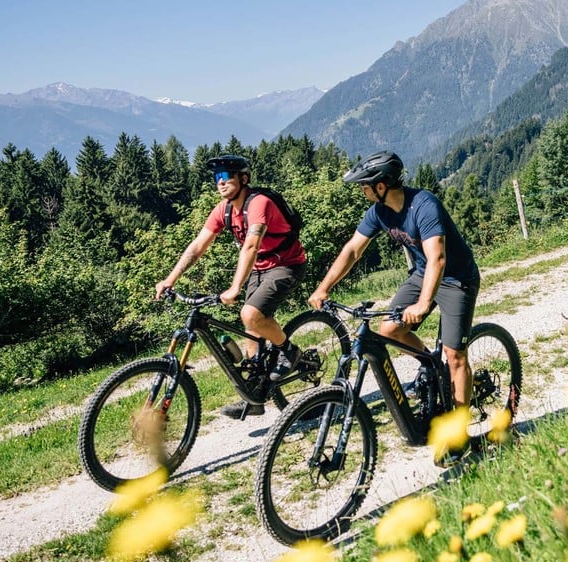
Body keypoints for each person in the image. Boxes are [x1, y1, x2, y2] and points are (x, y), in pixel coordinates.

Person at [309, 150, 481, 408]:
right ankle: (431, 367)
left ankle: (460, 432)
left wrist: (423, 304)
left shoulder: (424, 205)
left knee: (455, 355)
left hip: (457, 279)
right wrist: (323, 288)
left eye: (364, 186)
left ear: (381, 185)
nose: (362, 191)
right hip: (423, 274)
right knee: (390, 330)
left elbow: (438, 259)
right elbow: (353, 250)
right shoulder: (379, 212)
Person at [156, 154, 306, 419]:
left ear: (243, 179)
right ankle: (255, 398)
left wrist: (235, 287)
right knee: (251, 329)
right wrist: (171, 278)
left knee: (250, 314)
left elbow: (251, 245)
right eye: (217, 178)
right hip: (259, 267)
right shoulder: (223, 209)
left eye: (226, 177)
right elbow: (197, 246)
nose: (220, 183)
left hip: (287, 264)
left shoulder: (259, 203)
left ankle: (290, 352)